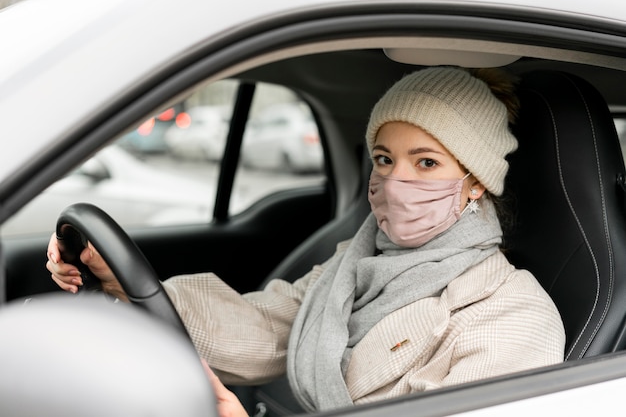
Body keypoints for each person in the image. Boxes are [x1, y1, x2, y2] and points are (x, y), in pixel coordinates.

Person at [47, 66, 565, 414]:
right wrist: (123, 284)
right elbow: (265, 326)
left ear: (476, 181)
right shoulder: (354, 263)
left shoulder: (513, 314)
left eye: (426, 162)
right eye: (384, 159)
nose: (394, 181)